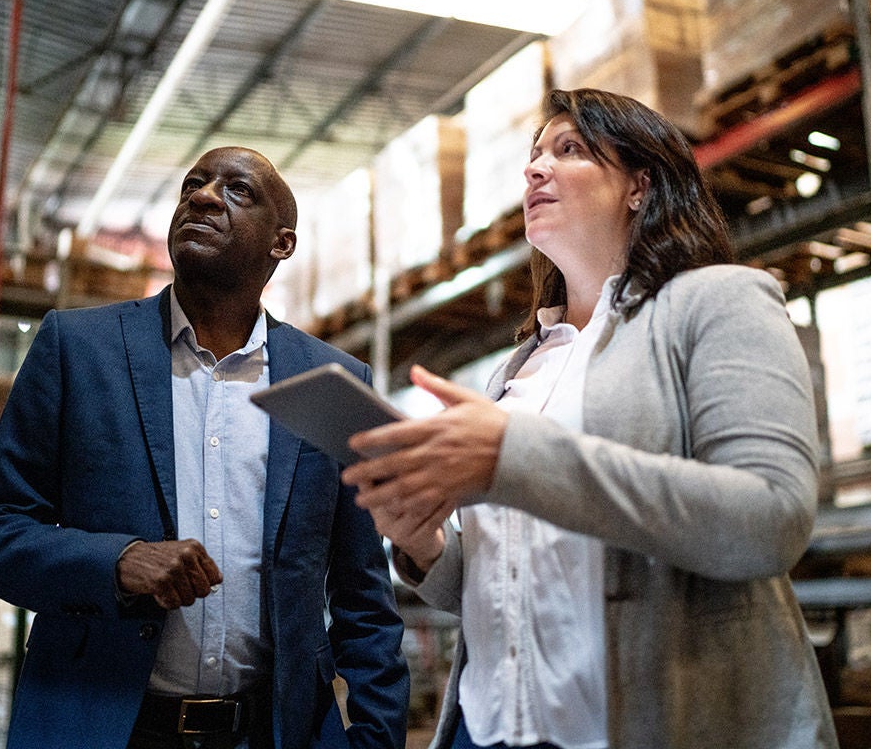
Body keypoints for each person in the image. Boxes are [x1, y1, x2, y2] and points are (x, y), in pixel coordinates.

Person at [342, 89, 838, 749]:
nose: (534, 169)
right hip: (490, 726)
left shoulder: (717, 302)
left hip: (641, 725)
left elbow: (769, 519)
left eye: (568, 149)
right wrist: (428, 546)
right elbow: (517, 584)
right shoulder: (518, 369)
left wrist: (510, 456)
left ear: (641, 185)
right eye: (533, 154)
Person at [0, 146, 410, 749]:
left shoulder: (329, 382)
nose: (201, 196)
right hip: (104, 728)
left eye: (237, 191)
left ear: (282, 244)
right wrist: (118, 561)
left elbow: (362, 594)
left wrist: (375, 739)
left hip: (272, 735)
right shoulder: (77, 350)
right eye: (193, 184)